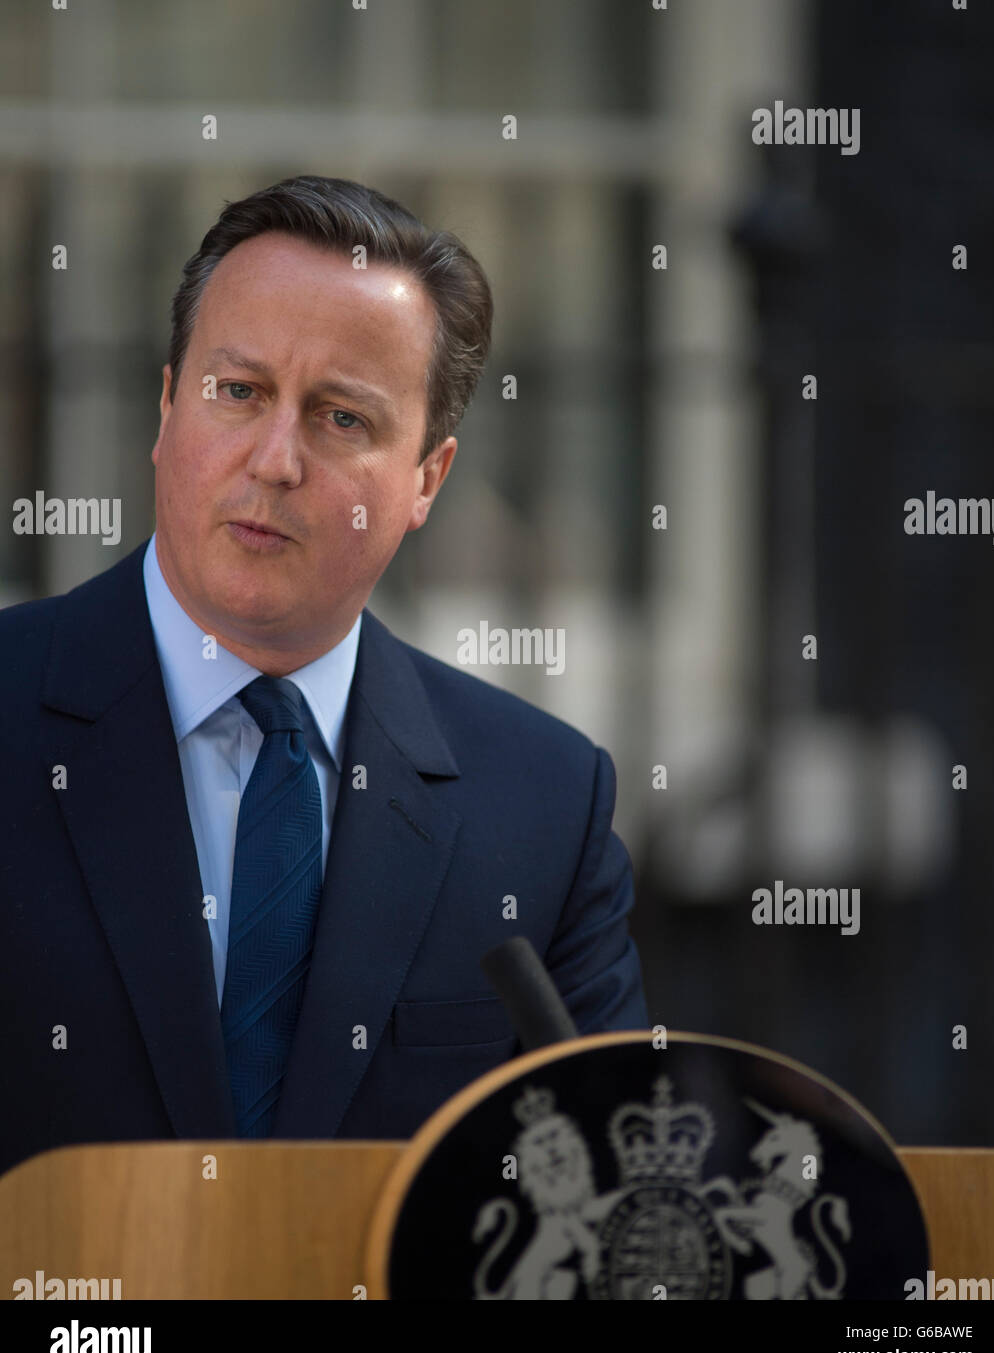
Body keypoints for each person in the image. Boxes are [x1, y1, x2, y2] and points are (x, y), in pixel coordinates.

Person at [0, 174, 647, 1176]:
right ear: (168, 408)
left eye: (342, 418)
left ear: (428, 478)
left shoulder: (545, 806)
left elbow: (607, 1191)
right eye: (238, 391)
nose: (274, 460)